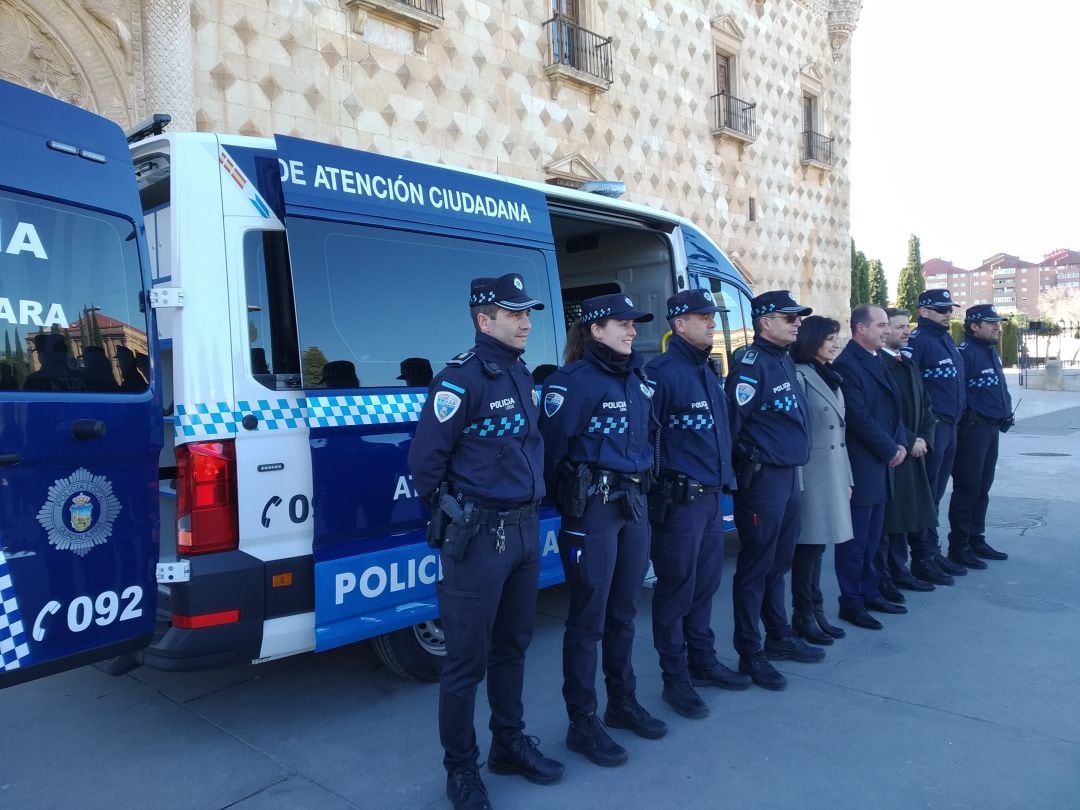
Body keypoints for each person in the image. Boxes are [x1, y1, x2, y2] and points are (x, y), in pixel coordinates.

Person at [408, 273, 562, 810]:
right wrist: (458, 518)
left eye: (527, 313)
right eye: (512, 312)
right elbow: (425, 466)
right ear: (483, 320)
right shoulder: (461, 379)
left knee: (513, 647)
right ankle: (461, 770)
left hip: (523, 531)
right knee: (465, 663)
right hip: (479, 540)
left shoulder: (519, 374)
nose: (525, 321)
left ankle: (509, 743)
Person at [539, 293, 665, 767]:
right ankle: (582, 721)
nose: (632, 331)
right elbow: (550, 455)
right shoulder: (569, 384)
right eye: (622, 323)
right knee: (587, 620)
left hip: (633, 504)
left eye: (634, 324)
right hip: (592, 509)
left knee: (625, 612)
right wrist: (573, 502)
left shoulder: (640, 379)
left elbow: (650, 441)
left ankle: (622, 702)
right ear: (594, 329)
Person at [646, 289, 750, 720]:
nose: (711, 322)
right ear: (679, 324)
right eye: (702, 316)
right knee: (676, 591)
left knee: (705, 586)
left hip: (710, 500)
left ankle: (702, 662)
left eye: (713, 316)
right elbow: (648, 440)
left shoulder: (707, 371)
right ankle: (676, 680)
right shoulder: (661, 373)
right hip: (679, 504)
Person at [724, 289, 823, 692]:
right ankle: (751, 652)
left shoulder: (782, 360)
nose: (798, 323)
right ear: (765, 322)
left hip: (788, 476)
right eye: (789, 317)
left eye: (798, 317)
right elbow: (732, 426)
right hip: (762, 480)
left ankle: (778, 635)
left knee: (779, 562)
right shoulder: (750, 366)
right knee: (756, 567)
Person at [832, 304, 907, 631]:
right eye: (880, 325)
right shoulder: (848, 364)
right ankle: (851, 601)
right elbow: (858, 417)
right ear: (861, 329)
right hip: (863, 464)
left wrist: (901, 441)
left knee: (875, 537)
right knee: (856, 540)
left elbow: (894, 407)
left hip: (883, 462)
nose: (886, 331)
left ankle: (870, 590)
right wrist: (890, 448)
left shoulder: (876, 359)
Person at [790, 315, 853, 645]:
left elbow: (841, 434)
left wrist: (847, 478)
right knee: (807, 551)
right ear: (811, 340)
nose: (835, 343)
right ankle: (804, 615)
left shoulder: (829, 376)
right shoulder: (800, 377)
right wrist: (797, 486)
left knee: (819, 549)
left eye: (836, 337)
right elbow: (797, 435)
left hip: (831, 474)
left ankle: (818, 612)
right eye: (829, 338)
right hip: (811, 477)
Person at [904, 289, 967, 585]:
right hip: (933, 428)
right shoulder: (919, 341)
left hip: (951, 426)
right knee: (926, 496)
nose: (948, 314)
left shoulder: (946, 340)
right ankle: (922, 557)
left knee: (937, 494)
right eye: (941, 309)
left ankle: (933, 549)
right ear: (924, 311)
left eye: (949, 309)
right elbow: (909, 387)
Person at [877, 308, 938, 597]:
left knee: (911, 512)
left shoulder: (908, 363)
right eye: (900, 326)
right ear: (884, 329)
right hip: (896, 450)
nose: (907, 331)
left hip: (915, 450)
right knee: (893, 518)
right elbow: (883, 414)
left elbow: (926, 405)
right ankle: (890, 574)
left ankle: (910, 567)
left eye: (907, 326)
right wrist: (910, 440)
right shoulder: (880, 366)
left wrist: (925, 437)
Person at [947, 304, 1013, 567]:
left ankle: (976, 538)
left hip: (991, 428)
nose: (997, 327)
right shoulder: (965, 354)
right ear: (974, 326)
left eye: (997, 322)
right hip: (973, 430)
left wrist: (1005, 411)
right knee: (968, 487)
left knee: (982, 488)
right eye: (991, 323)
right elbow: (958, 393)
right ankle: (959, 546)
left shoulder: (990, 352)